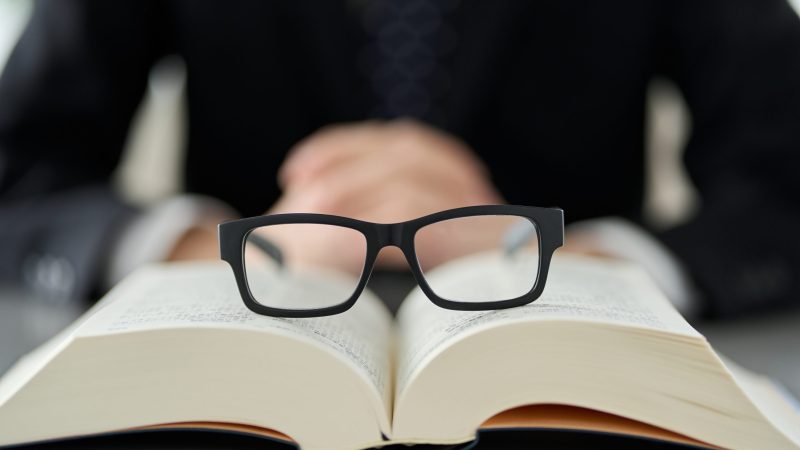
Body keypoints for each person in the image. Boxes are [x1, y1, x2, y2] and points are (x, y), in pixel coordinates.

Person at [1, 0, 799, 318]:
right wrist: (211, 251)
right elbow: (17, 166)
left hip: (567, 363)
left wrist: (581, 261)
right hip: (240, 351)